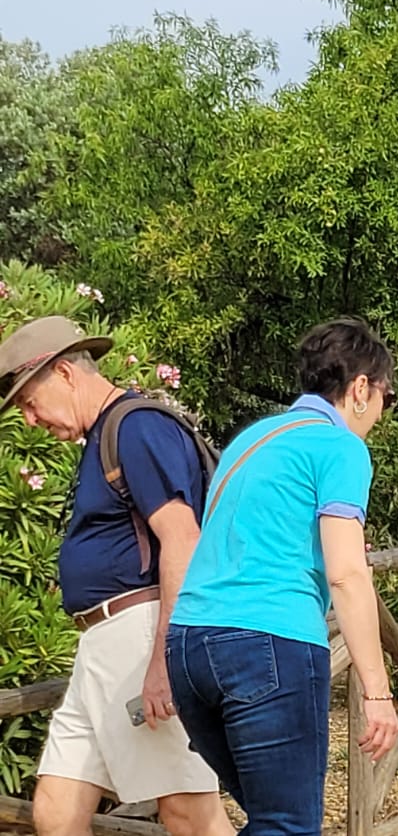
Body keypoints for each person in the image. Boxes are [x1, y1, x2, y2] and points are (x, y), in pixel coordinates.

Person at [0, 317, 232, 836]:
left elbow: (182, 538)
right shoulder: (106, 435)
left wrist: (163, 661)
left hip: (141, 634)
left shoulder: (136, 427)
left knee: (189, 813)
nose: (31, 420)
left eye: (30, 403)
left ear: (64, 372)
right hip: (103, 647)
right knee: (57, 809)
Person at [167, 318, 398, 832]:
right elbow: (346, 573)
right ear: (361, 388)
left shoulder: (253, 440)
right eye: (389, 396)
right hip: (268, 642)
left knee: (269, 819)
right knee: (288, 826)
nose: (384, 412)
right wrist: (377, 692)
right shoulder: (339, 447)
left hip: (189, 646)